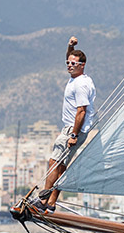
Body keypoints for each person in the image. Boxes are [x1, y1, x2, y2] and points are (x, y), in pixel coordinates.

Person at [32, 36, 97, 213]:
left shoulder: (81, 84)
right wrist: (70, 47)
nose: (69, 65)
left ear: (82, 65)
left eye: (73, 63)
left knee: (54, 162)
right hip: (72, 129)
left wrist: (74, 135)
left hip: (72, 129)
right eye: (68, 62)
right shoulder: (77, 78)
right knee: (60, 166)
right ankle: (51, 203)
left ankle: (43, 200)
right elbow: (71, 58)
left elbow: (81, 111)